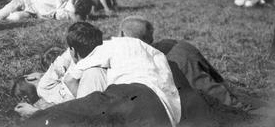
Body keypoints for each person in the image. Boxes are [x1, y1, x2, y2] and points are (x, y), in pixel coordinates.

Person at [26, 23, 181, 127]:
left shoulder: (104, 50)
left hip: (134, 95)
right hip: (168, 112)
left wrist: (39, 113)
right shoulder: (151, 51)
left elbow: (71, 80)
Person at [15, 23, 107, 118]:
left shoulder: (90, 72)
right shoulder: (43, 87)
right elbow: (64, 60)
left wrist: (36, 113)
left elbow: (83, 115)